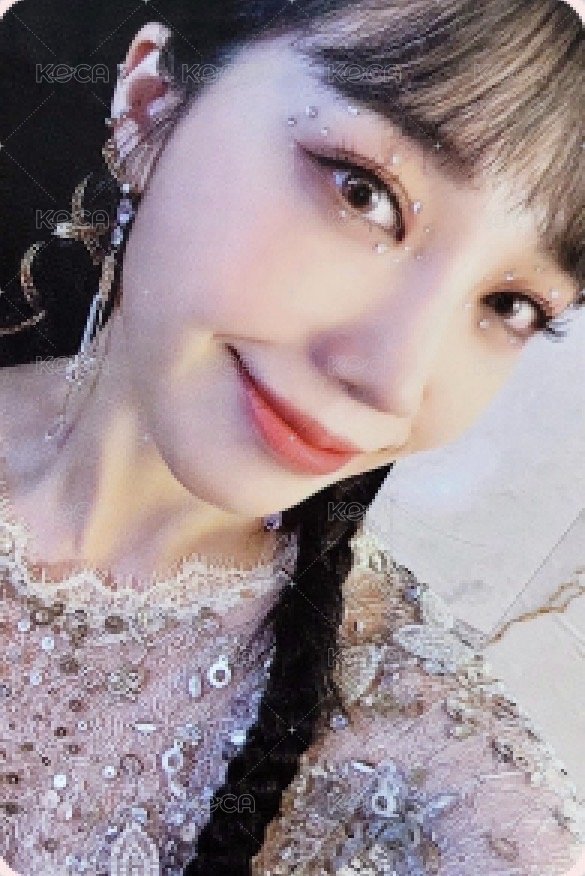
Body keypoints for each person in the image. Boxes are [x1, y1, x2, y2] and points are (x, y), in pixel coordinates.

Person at [0, 1, 583, 873]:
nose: (393, 382)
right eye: (363, 192)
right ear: (151, 104)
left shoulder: (430, 777)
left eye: (510, 305)